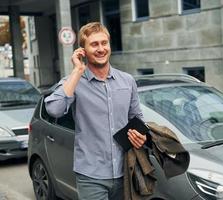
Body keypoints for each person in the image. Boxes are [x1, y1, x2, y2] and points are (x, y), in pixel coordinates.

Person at [44, 22, 147, 200]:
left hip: (125, 171)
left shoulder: (127, 80)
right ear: (82, 50)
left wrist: (141, 136)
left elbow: (137, 118)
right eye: (94, 44)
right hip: (91, 176)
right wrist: (77, 70)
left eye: (104, 43)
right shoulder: (74, 81)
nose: (101, 49)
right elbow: (54, 109)